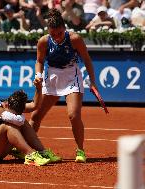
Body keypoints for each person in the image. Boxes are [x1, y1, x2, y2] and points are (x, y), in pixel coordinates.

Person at [29, 8, 97, 163]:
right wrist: (38, 75)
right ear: (49, 31)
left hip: (71, 75)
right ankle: (28, 150)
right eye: (53, 34)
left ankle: (80, 151)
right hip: (51, 77)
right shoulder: (44, 41)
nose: (57, 37)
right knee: (35, 116)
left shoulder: (75, 39)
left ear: (64, 28)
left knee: (73, 115)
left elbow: (87, 59)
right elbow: (39, 61)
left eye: (59, 33)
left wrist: (93, 82)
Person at [0, 79, 62, 166]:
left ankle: (43, 152)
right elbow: (18, 120)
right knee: (8, 126)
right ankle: (30, 154)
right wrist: (21, 116)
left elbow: (34, 105)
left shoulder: (13, 106)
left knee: (22, 122)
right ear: (7, 104)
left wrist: (38, 88)